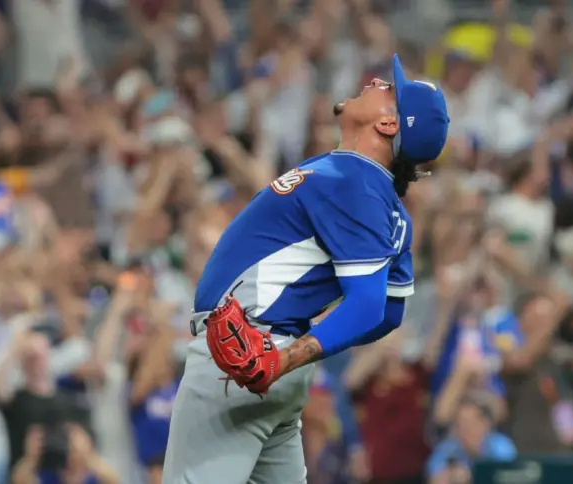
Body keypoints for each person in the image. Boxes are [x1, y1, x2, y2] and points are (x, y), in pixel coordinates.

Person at [162, 55, 450, 483]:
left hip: (245, 363)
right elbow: (392, 312)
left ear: (389, 125)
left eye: (389, 90)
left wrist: (283, 358)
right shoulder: (382, 201)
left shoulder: (353, 180)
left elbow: (370, 308)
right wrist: (289, 351)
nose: (375, 81)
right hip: (270, 359)